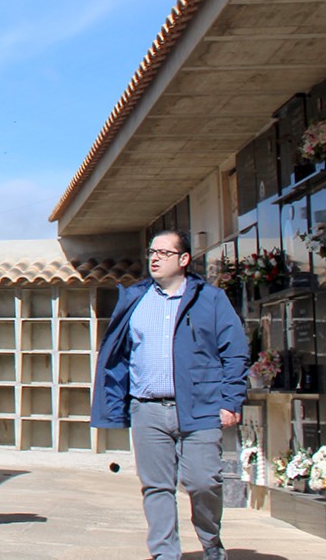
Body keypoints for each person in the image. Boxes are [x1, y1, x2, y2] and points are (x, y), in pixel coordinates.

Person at [91, 229, 249, 560]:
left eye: (164, 253)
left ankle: (210, 542)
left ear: (184, 259)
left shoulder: (211, 299)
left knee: (203, 482)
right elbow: (117, 354)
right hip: (147, 409)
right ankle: (165, 554)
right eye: (152, 252)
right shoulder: (135, 299)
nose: (155, 258)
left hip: (200, 408)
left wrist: (231, 400)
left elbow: (235, 351)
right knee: (157, 487)